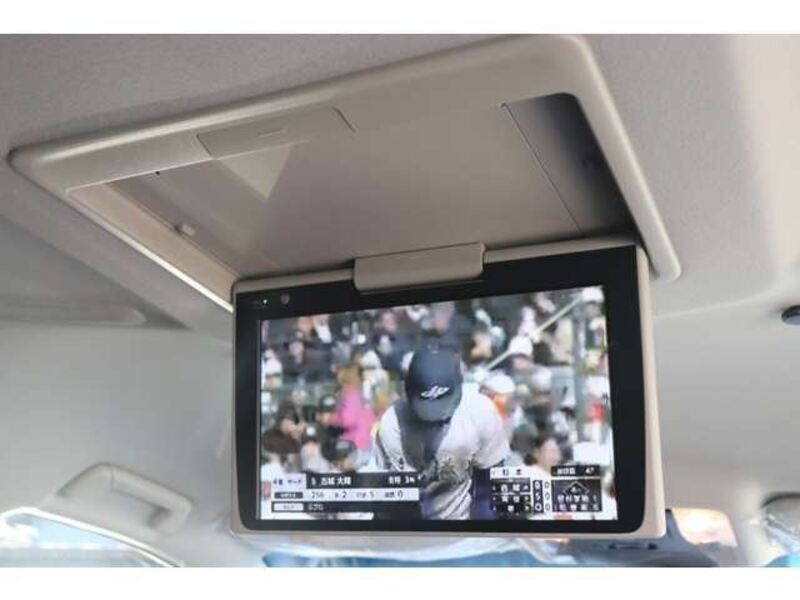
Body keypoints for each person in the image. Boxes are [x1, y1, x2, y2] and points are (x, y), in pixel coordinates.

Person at [371, 344, 510, 520]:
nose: (433, 419)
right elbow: (399, 503)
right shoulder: (393, 424)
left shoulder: (480, 411)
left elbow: (488, 488)